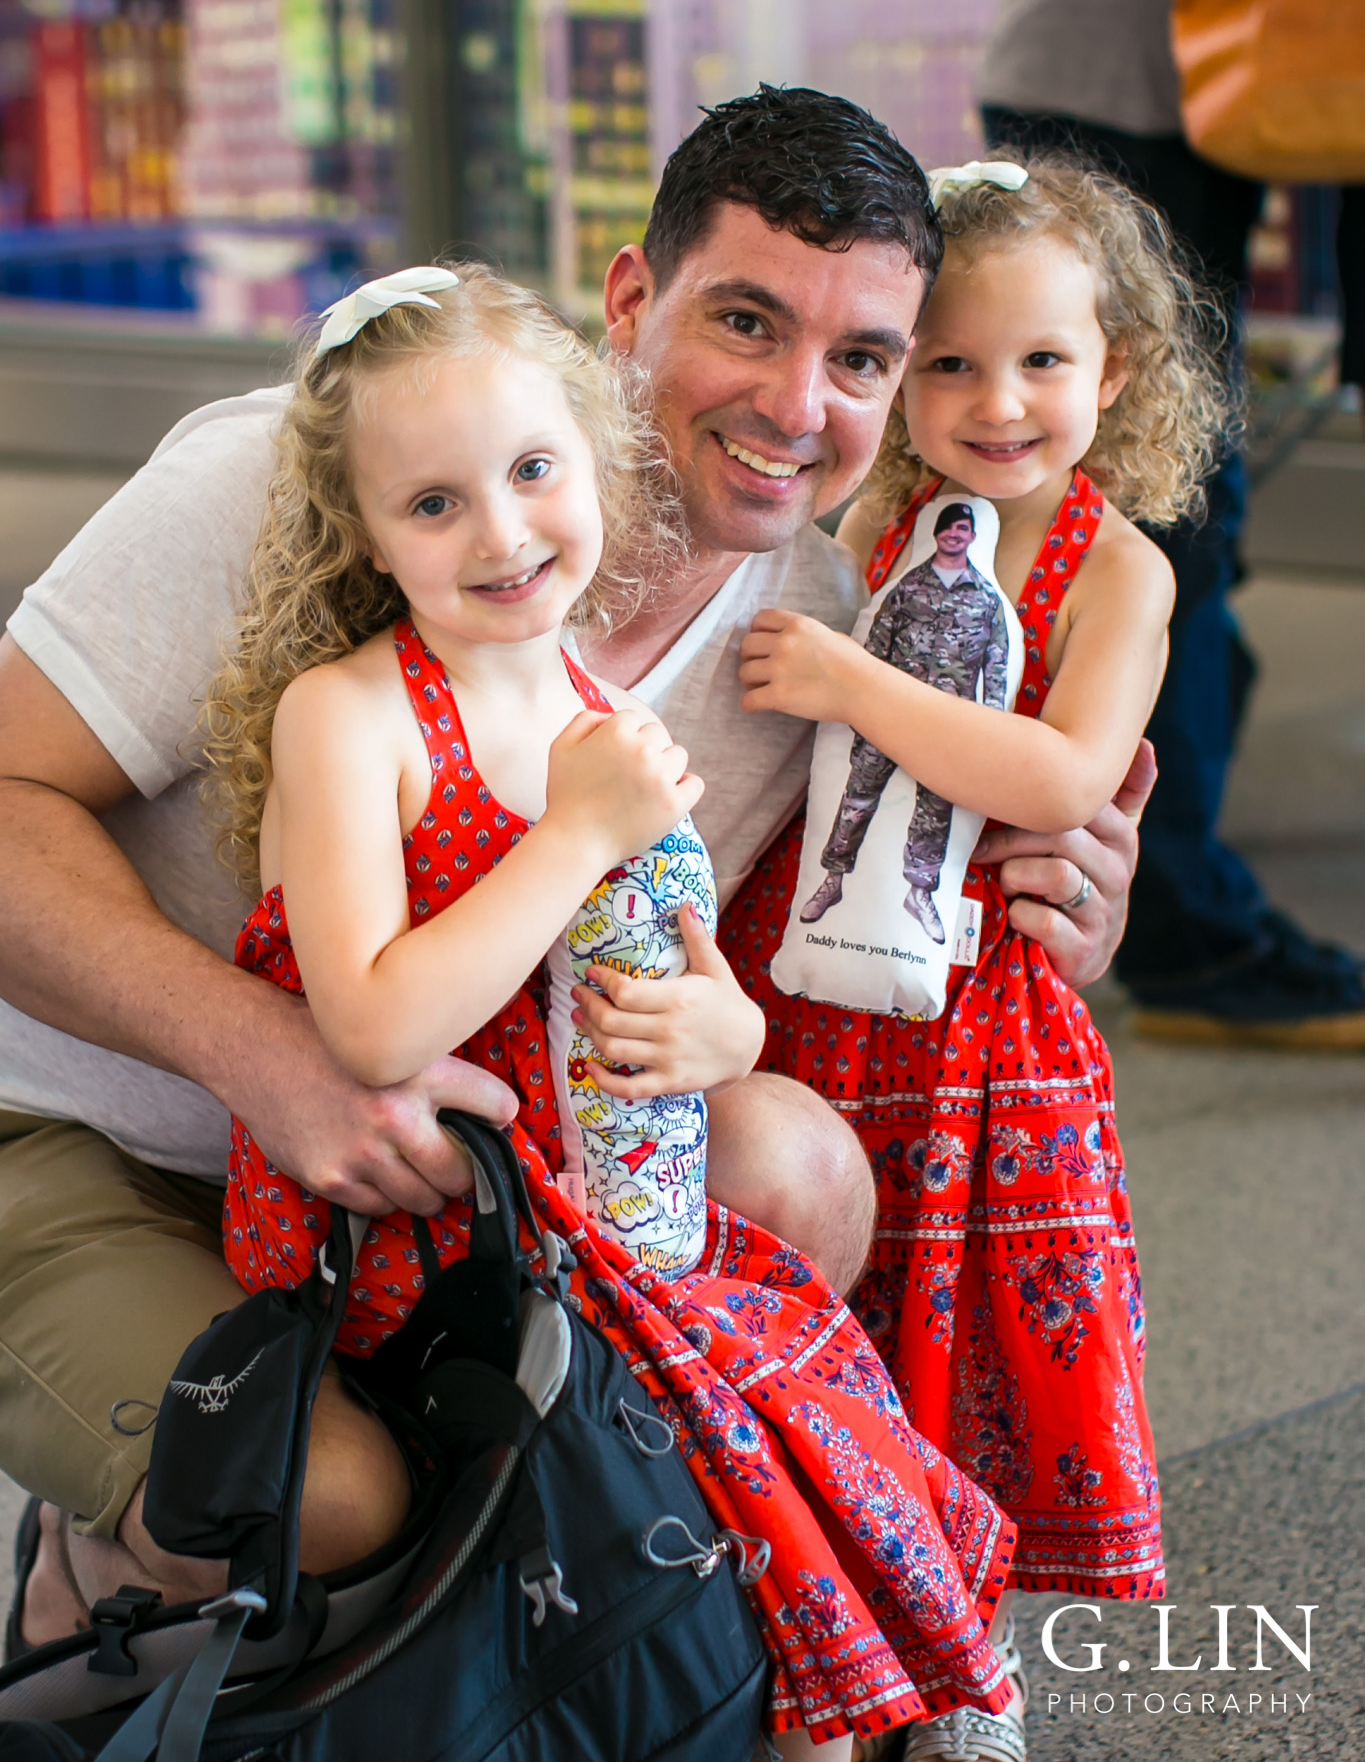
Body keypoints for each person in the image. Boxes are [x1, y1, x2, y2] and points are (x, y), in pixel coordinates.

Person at [0, 87, 1143, 1669]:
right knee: (321, 1497)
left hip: (462, 1174)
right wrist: (263, 1056)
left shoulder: (817, 636)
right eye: (745, 320)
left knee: (795, 1164)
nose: (798, 405)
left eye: (864, 360)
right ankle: (93, 1579)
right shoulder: (310, 473)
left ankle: (592, 1618)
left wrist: (1061, 890)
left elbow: (802, 972)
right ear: (629, 300)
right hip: (93, 1125)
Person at [203, 258, 1032, 1759]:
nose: (505, 529)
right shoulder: (354, 717)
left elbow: (694, 980)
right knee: (718, 1422)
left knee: (802, 1383)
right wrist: (574, 834)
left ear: (596, 464)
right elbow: (375, 1033)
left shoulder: (598, 712)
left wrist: (729, 1040)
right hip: (413, 1222)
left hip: (590, 1193)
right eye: (435, 503)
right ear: (369, 533)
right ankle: (783, 1695)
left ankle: (832, 1704)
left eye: (533, 470)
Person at [726, 152, 1217, 1758]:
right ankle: (834, 1644)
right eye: (946, 361)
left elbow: (1065, 779)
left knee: (970, 1341)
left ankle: (962, 1671)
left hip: (980, 1023)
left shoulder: (1114, 564)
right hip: (810, 987)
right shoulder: (867, 518)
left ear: (1116, 370)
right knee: (837, 1333)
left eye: (1042, 362)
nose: (995, 401)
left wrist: (852, 688)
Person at [978, 0, 1365, 1048]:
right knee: (1162, 531)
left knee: (1187, 519)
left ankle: (1162, 837)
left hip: (1183, 87)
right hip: (1117, 97)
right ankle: (1190, 931)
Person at [800, 501, 1010, 940]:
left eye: (962, 529)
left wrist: (989, 737)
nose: (954, 534)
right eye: (947, 528)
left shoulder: (986, 600)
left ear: (971, 536)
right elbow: (873, 650)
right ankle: (833, 880)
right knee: (856, 801)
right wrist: (858, 717)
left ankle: (919, 893)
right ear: (936, 535)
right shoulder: (906, 589)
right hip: (882, 718)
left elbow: (996, 669)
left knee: (934, 813)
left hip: (946, 731)